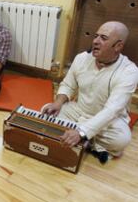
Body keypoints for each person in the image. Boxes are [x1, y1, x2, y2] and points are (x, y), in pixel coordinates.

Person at [42, 21, 138, 164]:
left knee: (121, 139)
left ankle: (81, 138)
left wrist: (81, 132)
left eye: (103, 38)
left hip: (109, 120)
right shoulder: (82, 58)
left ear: (118, 46)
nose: (95, 41)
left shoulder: (129, 71)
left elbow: (112, 110)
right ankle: (93, 145)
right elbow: (68, 85)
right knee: (46, 112)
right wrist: (58, 103)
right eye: (96, 36)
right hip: (79, 111)